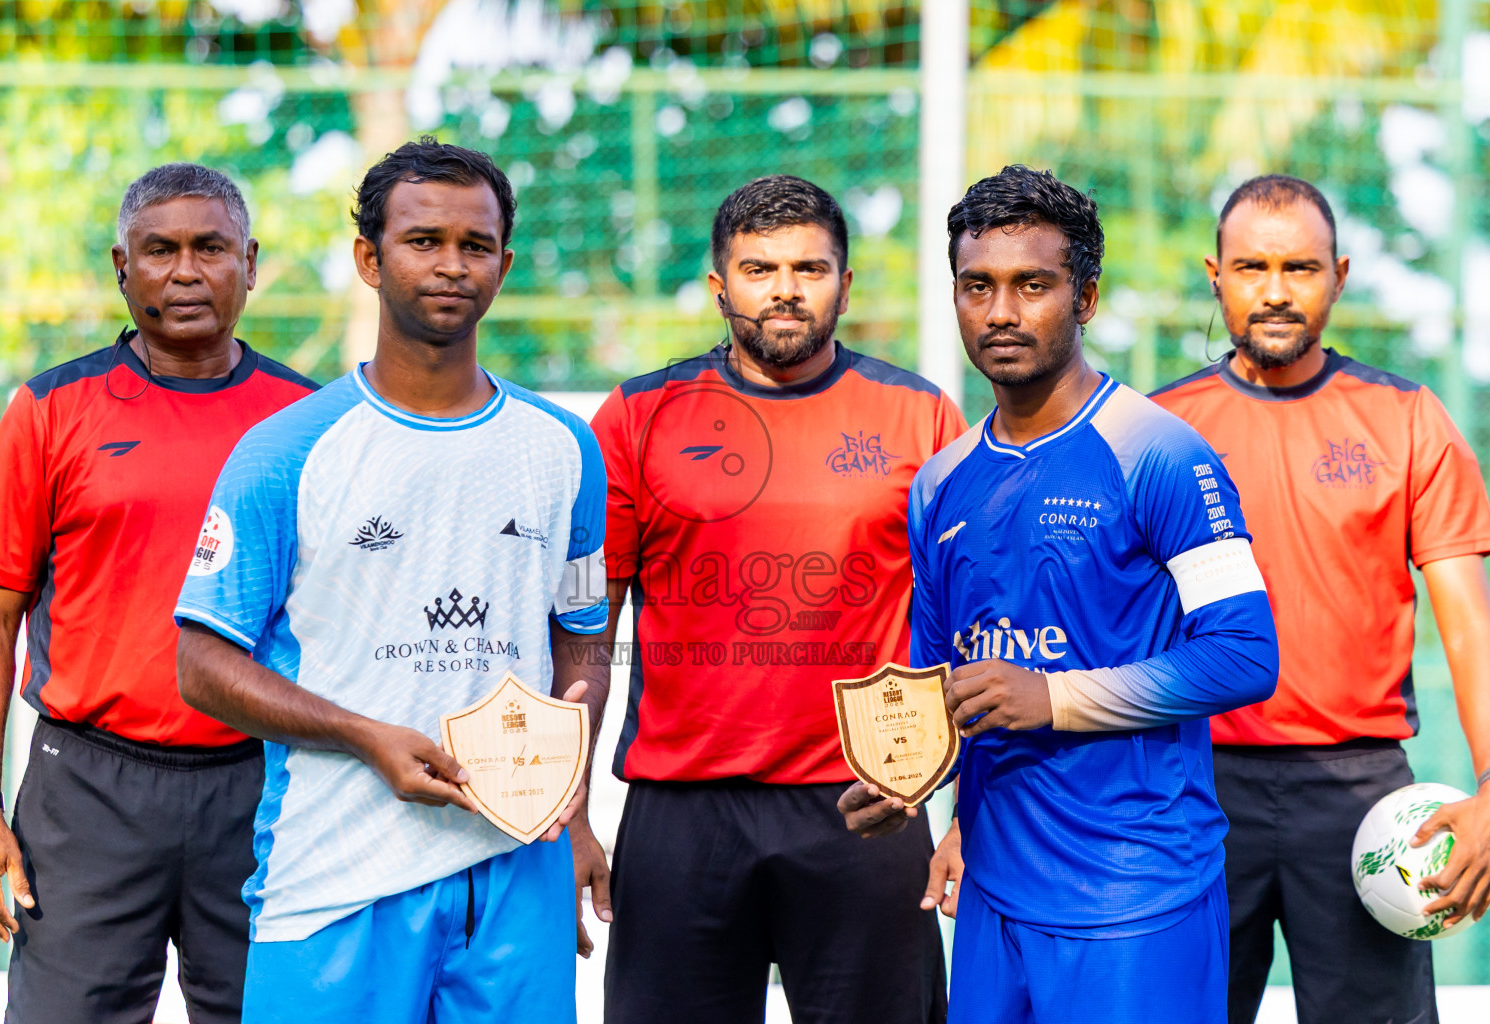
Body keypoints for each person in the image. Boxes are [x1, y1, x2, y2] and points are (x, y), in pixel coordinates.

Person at [173, 137, 607, 1024]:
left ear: (504, 263)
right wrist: (365, 733)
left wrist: (572, 778)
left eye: (475, 245)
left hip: (514, 873)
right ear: (370, 258)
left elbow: (585, 635)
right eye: (423, 241)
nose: (451, 265)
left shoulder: (564, 447)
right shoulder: (286, 452)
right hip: (337, 874)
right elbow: (201, 665)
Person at [838, 165, 1280, 1024]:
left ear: (1085, 299)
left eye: (1031, 285)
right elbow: (942, 688)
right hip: (994, 903)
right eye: (978, 287)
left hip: (1136, 899)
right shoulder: (940, 484)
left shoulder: (1161, 453)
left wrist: (1055, 698)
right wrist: (904, 784)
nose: (1001, 312)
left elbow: (1244, 656)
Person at [586, 174, 964, 1024]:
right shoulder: (637, 416)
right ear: (720, 287)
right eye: (759, 270)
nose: (786, 290)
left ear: (846, 284)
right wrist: (568, 808)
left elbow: (968, 632)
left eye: (810, 268)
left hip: (869, 803)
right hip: (681, 815)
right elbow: (585, 620)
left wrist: (963, 811)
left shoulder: (922, 419)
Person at [0, 164, 315, 1023]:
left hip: (260, 787)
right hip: (87, 790)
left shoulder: (309, 419)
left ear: (251, 262)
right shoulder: (52, 408)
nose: (185, 271)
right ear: (124, 267)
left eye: (210, 248)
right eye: (160, 250)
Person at [1152, 174, 1490, 1024]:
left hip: (1360, 792)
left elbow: (1470, 624)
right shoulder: (1155, 432)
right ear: (1215, 275)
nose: (1274, 291)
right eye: (1251, 267)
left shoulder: (1407, 419)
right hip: (1192, 787)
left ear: (1339, 275)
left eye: (1299, 268)